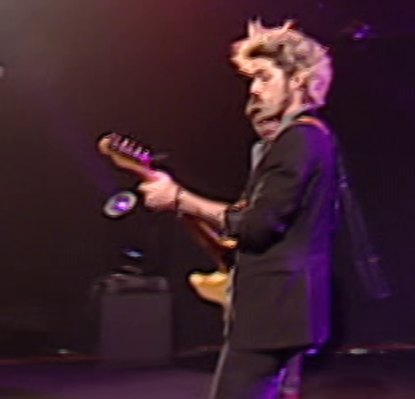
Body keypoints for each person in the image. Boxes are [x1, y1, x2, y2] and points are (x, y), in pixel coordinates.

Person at [140, 21, 339, 399]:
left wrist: (180, 198)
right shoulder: (306, 138)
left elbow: (256, 225)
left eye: (264, 77)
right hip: (283, 306)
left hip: (273, 308)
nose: (254, 90)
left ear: (299, 80)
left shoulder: (300, 139)